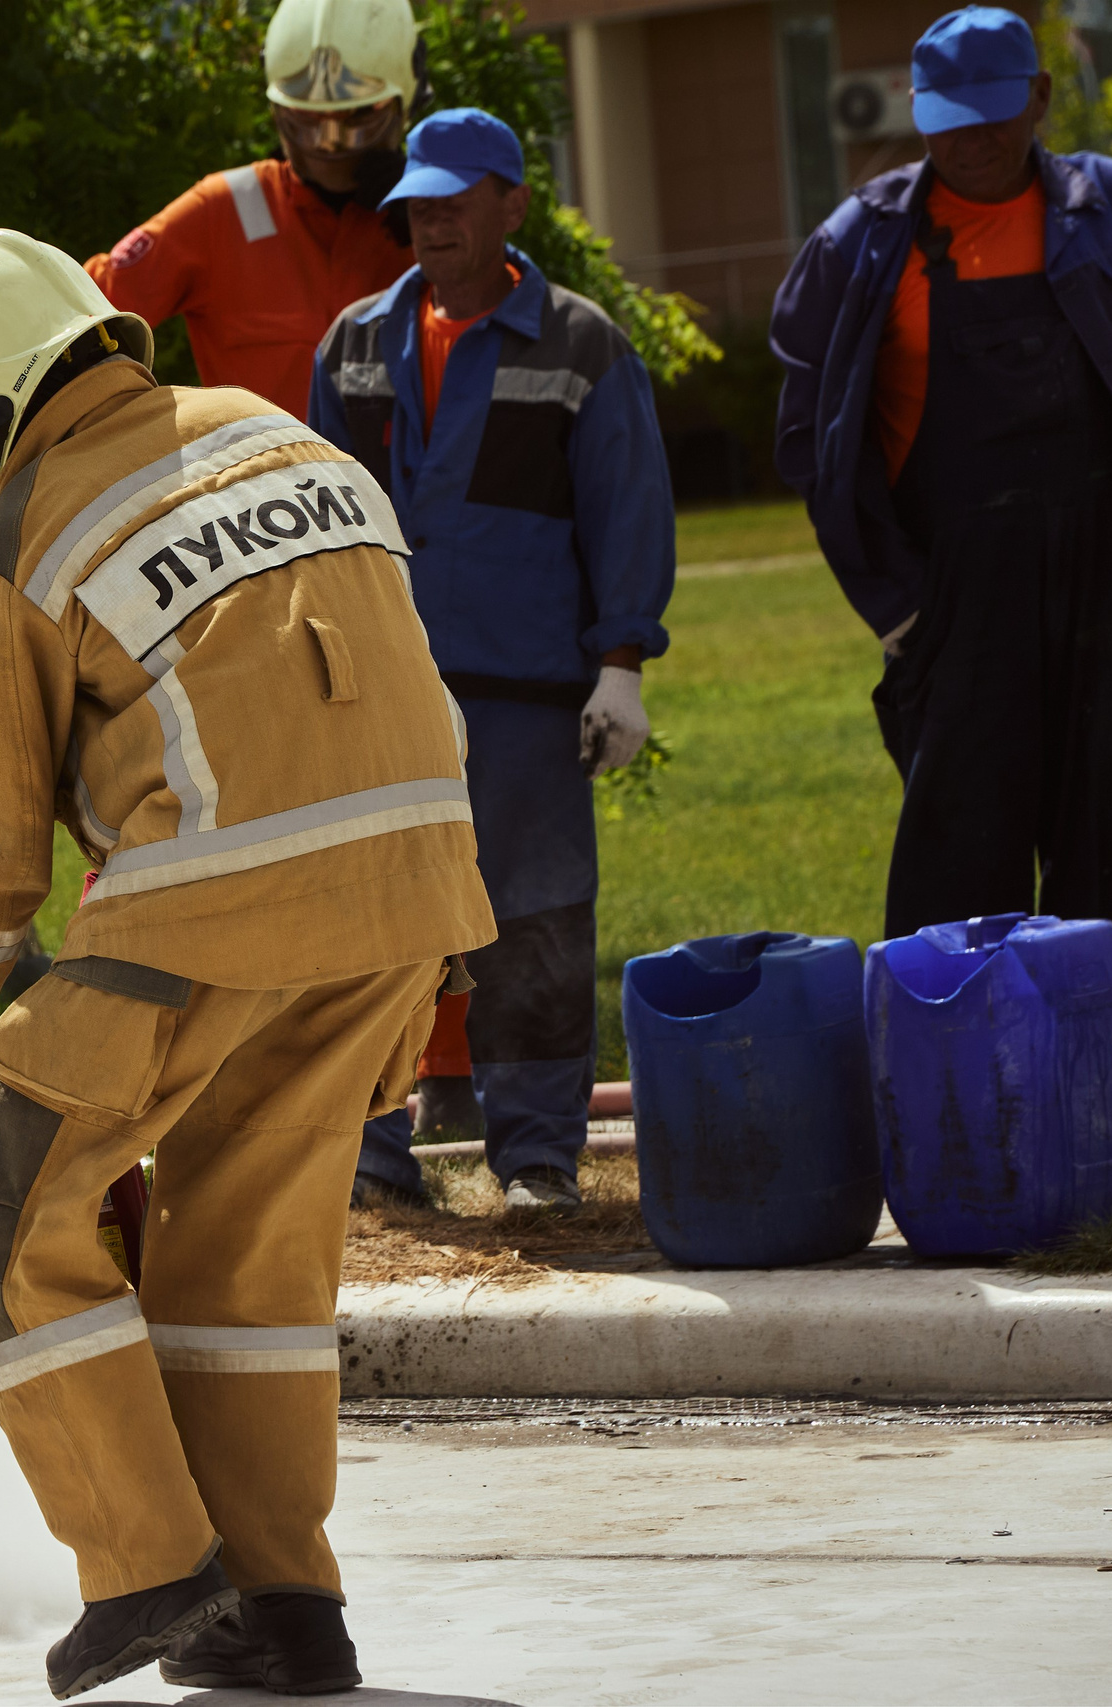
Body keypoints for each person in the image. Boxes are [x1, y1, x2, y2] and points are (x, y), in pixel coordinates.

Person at [0, 227, 493, 1699]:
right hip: (413, 896)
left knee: (1, 1216)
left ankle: (146, 1566)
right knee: (236, 1261)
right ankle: (282, 1612)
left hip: (219, 904)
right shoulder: (276, 434)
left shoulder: (16, 549)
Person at [310, 109, 675, 1212]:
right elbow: (316, 522)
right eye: (417, 205)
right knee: (373, 924)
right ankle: (371, 1159)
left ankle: (536, 1159)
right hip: (385, 696)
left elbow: (627, 511)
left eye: (455, 203)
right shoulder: (353, 346)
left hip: (526, 696)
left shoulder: (579, 347)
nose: (432, 223)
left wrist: (622, 666)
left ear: (513, 204)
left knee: (535, 922)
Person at [772, 6, 1112, 1034]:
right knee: (960, 859)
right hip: (956, 597)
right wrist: (896, 607)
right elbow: (811, 439)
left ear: (1039, 98)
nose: (971, 139)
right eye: (948, 118)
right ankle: (957, 1085)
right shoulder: (859, 244)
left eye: (993, 114)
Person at [82, 0, 420, 417]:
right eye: (306, 118)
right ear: (277, 108)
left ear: (406, 99)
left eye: (359, 116)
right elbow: (78, 316)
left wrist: (430, 231)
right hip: (264, 462)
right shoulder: (224, 211)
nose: (329, 141)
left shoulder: (432, 221)